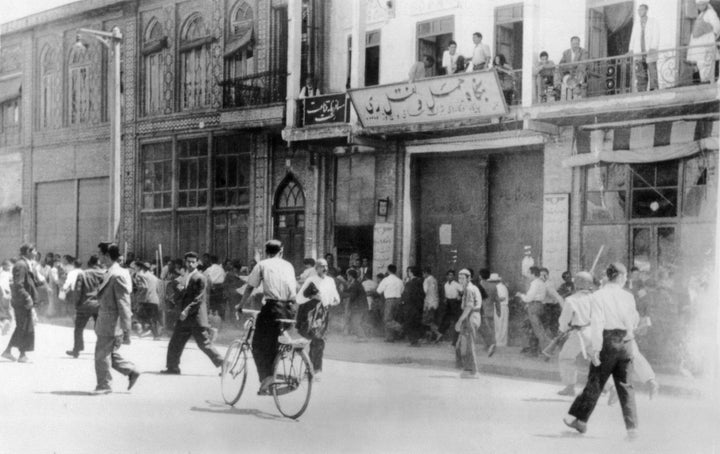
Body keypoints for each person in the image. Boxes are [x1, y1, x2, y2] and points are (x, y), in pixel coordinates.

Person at [564, 263, 639, 439]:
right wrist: (630, 339)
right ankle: (632, 428)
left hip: (607, 340)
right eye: (625, 276)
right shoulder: (628, 296)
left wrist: (596, 349)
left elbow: (597, 322)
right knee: (626, 386)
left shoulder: (597, 296)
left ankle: (581, 420)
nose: (626, 279)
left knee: (596, 380)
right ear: (620, 277)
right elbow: (633, 320)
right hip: (626, 341)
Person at [238, 240, 297, 394]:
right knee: (273, 342)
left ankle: (266, 379)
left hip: (273, 309)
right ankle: (281, 353)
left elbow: (250, 286)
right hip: (290, 308)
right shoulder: (289, 265)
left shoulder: (262, 265)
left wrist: (240, 305)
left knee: (257, 344)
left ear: (266, 251)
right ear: (281, 251)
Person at [161, 252, 223, 375]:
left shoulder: (200, 277)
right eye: (188, 261)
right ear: (185, 261)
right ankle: (172, 367)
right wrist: (178, 293)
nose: (190, 264)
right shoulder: (187, 276)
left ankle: (224, 363)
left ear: (197, 262)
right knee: (175, 342)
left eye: (193, 261)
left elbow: (198, 298)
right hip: (186, 318)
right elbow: (186, 295)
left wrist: (186, 310)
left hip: (195, 317)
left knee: (204, 344)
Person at [93, 242, 140, 394]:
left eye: (100, 253)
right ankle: (131, 370)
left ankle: (104, 385)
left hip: (111, 322)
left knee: (102, 355)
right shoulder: (111, 272)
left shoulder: (117, 274)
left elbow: (124, 303)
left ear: (107, 256)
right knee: (108, 354)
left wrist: (127, 328)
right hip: (107, 320)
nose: (98, 256)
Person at [297, 258, 340, 379]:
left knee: (319, 341)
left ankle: (314, 370)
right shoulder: (311, 280)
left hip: (323, 314)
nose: (325, 268)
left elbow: (335, 298)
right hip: (311, 313)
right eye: (321, 266)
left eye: (326, 266)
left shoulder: (330, 281)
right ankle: (310, 369)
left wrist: (334, 300)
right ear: (316, 269)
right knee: (316, 339)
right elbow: (299, 298)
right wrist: (313, 296)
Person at [556, 271, 594, 397]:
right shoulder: (595, 298)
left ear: (576, 284)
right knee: (596, 361)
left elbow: (564, 320)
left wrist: (562, 330)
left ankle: (570, 386)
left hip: (579, 333)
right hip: (594, 332)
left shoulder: (571, 300)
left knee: (566, 357)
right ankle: (610, 388)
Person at [2, 244, 42, 363]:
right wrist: (28, 297)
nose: (36, 253)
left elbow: (30, 282)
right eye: (34, 251)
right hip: (22, 301)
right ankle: (21, 355)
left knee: (24, 327)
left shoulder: (26, 264)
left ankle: (11, 351)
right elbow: (18, 284)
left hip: (23, 301)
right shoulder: (21, 265)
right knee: (25, 327)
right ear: (28, 251)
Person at [66, 255, 105, 358]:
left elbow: (78, 290)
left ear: (89, 263)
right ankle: (102, 350)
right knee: (100, 329)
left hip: (84, 305)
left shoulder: (83, 274)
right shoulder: (105, 274)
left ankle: (77, 349)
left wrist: (76, 303)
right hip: (99, 305)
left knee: (79, 328)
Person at [455, 269, 483, 379]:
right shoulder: (470, 288)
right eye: (459, 278)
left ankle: (474, 371)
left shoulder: (469, 289)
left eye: (463, 278)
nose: (460, 280)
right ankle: (467, 369)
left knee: (469, 345)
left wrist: (460, 320)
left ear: (469, 278)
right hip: (471, 316)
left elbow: (469, 306)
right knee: (464, 345)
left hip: (471, 316)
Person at [517, 266, 551, 356]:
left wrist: (521, 295)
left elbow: (528, 298)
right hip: (540, 306)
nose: (527, 275)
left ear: (533, 273)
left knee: (537, 330)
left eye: (528, 272)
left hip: (534, 306)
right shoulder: (541, 282)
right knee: (537, 329)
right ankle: (537, 350)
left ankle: (546, 350)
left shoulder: (534, 283)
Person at [628, 3, 660, 91]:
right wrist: (631, 49)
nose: (639, 12)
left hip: (650, 51)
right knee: (641, 73)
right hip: (639, 52)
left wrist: (653, 47)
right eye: (638, 10)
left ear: (646, 10)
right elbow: (633, 37)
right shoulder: (636, 24)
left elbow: (656, 35)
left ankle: (654, 89)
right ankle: (641, 90)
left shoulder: (653, 21)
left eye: (642, 9)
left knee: (652, 71)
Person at [688, 0, 720, 83]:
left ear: (705, 4)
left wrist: (711, 36)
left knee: (706, 67)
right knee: (701, 67)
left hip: (706, 46)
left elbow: (717, 27)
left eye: (700, 5)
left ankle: (707, 83)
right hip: (699, 49)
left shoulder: (710, 13)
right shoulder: (701, 14)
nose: (699, 7)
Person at [133, 261, 161, 339]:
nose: (134, 269)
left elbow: (144, 287)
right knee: (152, 318)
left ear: (140, 267)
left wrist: (138, 296)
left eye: (135, 267)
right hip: (154, 299)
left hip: (146, 300)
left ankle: (145, 330)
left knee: (138, 316)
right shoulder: (155, 277)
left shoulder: (140, 276)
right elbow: (158, 289)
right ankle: (155, 335)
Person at [377, 264, 404, 342]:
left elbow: (379, 291)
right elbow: (402, 291)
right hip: (398, 300)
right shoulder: (400, 280)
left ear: (388, 270)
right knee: (394, 318)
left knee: (387, 319)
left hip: (389, 300)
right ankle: (390, 337)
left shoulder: (386, 280)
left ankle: (401, 328)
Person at [401, 266, 425, 346]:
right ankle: (416, 340)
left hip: (410, 306)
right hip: (418, 306)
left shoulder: (410, 283)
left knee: (410, 323)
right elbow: (422, 294)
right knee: (416, 323)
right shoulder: (420, 281)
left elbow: (406, 295)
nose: (407, 273)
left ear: (411, 272)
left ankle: (413, 341)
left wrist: (403, 302)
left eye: (408, 271)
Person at [478, 269, 499, 356]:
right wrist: (498, 310)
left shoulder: (479, 285)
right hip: (490, 310)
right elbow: (497, 300)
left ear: (480, 276)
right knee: (491, 328)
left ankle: (487, 345)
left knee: (484, 329)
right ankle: (492, 344)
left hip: (481, 310)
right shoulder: (493, 286)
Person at [440, 270, 463, 345]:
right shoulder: (446, 284)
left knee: (457, 321)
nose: (450, 276)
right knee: (446, 320)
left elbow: (462, 291)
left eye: (452, 275)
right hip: (448, 303)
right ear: (447, 276)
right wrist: (445, 299)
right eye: (449, 275)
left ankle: (455, 341)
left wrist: (459, 296)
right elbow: (446, 294)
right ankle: (440, 336)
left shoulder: (456, 284)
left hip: (455, 303)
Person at [344, 269, 368, 340]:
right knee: (354, 321)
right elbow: (350, 291)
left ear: (351, 276)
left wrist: (342, 294)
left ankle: (362, 337)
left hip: (358, 306)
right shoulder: (355, 283)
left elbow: (352, 296)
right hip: (359, 306)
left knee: (355, 322)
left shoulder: (355, 284)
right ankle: (360, 336)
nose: (347, 277)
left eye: (348, 275)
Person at [422, 267, 442, 343]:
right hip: (434, 302)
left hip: (429, 303)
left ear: (426, 273)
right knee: (429, 320)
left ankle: (437, 333)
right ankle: (429, 338)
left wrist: (426, 304)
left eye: (423, 274)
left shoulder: (427, 280)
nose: (423, 275)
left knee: (426, 321)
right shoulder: (434, 280)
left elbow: (425, 291)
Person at [490, 273, 509, 347]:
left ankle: (499, 342)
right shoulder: (502, 286)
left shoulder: (499, 287)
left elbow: (502, 298)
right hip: (502, 307)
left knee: (499, 325)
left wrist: (492, 299)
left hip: (500, 307)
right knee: (501, 325)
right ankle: (502, 342)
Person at [0, 260, 13, 336]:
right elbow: (1, 284)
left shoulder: (3, 273)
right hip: (4, 293)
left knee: (4, 311)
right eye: (9, 266)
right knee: (7, 312)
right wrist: (4, 294)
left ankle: (3, 326)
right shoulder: (5, 274)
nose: (10, 267)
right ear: (5, 266)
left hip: (3, 293)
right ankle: (4, 327)